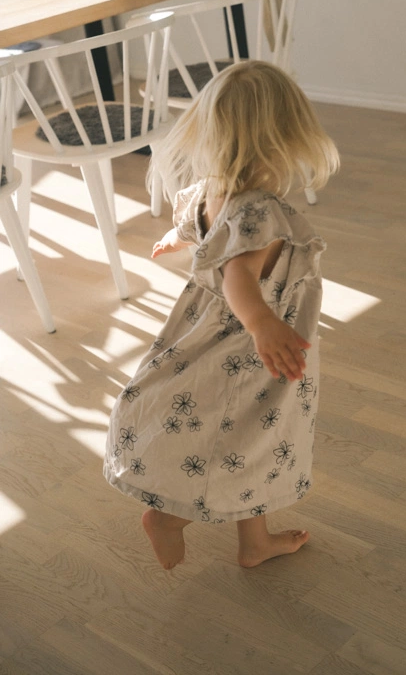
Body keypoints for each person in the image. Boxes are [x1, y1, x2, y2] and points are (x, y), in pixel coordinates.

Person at [103, 60, 339, 569]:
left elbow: (198, 229)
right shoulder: (262, 212)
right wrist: (263, 325)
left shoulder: (214, 192)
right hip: (249, 350)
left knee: (248, 438)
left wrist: (179, 236)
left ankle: (255, 542)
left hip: (208, 329)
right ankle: (168, 518)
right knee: (241, 437)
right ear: (285, 138)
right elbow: (238, 277)